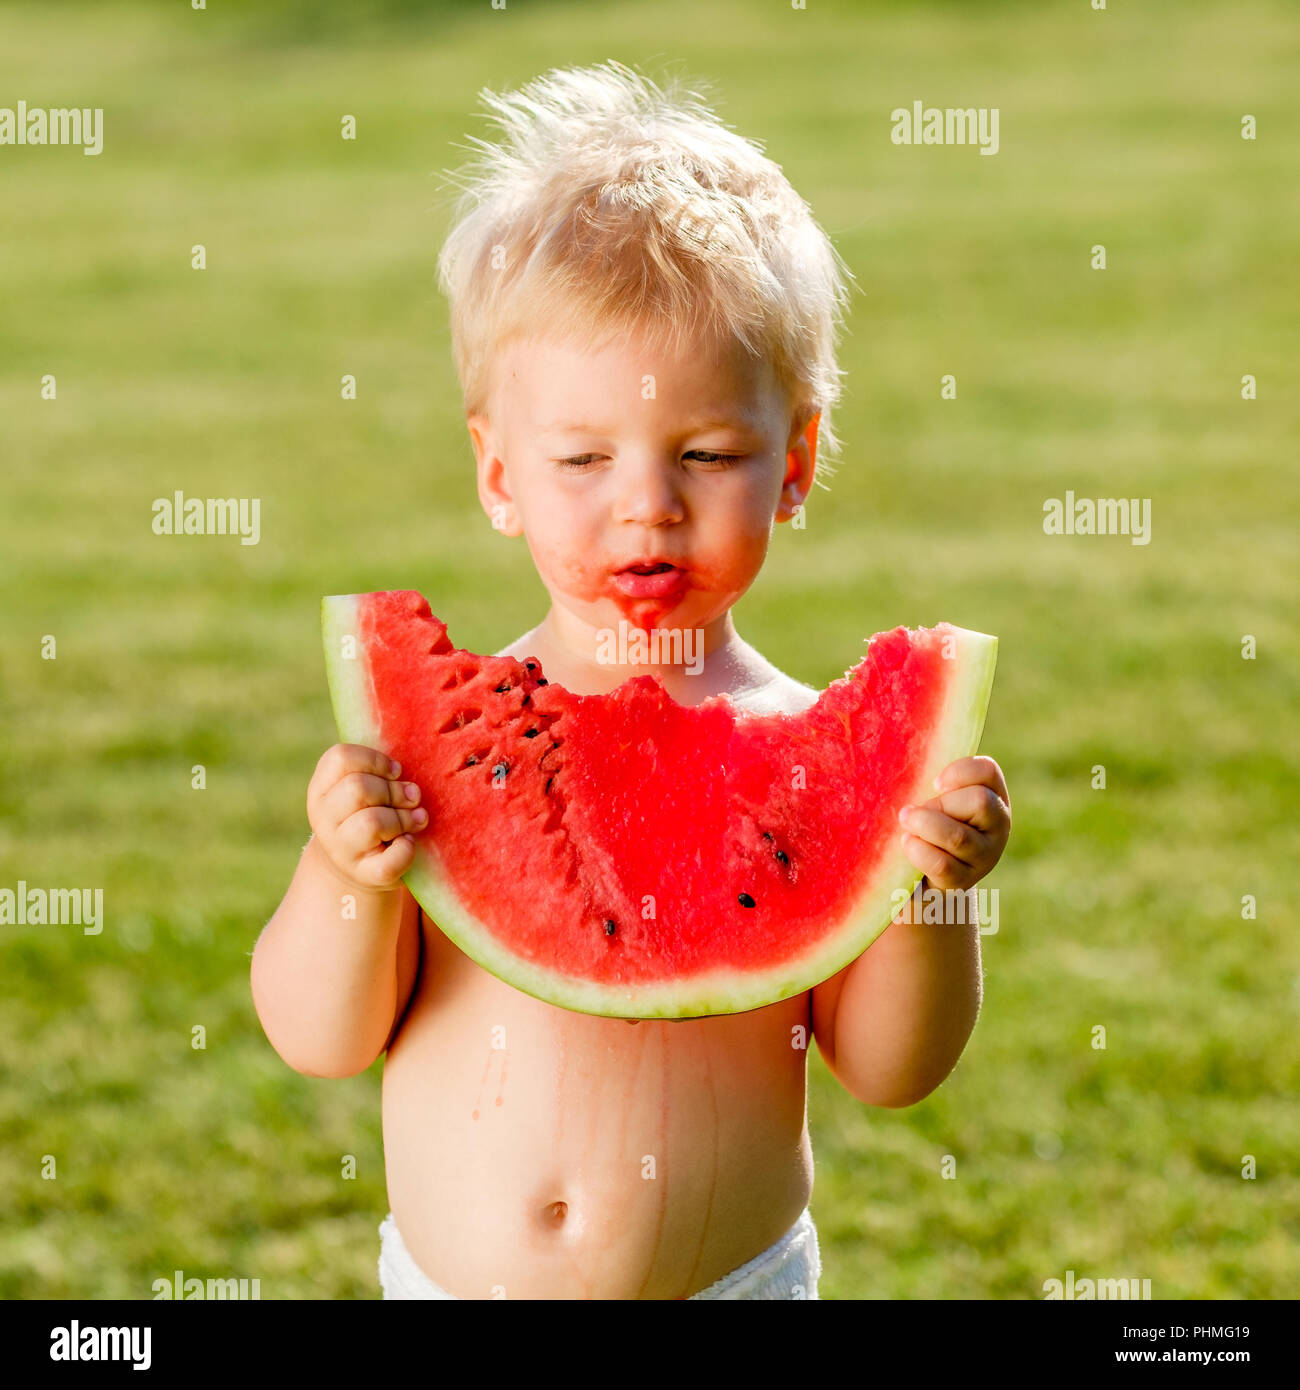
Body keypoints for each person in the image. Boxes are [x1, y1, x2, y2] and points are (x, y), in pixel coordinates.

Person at [251, 60, 1011, 1300]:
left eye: (707, 453)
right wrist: (342, 866)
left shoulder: (807, 756)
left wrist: (931, 890)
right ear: (499, 474)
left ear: (797, 459)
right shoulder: (444, 762)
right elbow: (318, 1035)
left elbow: (891, 1066)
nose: (646, 506)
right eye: (582, 457)